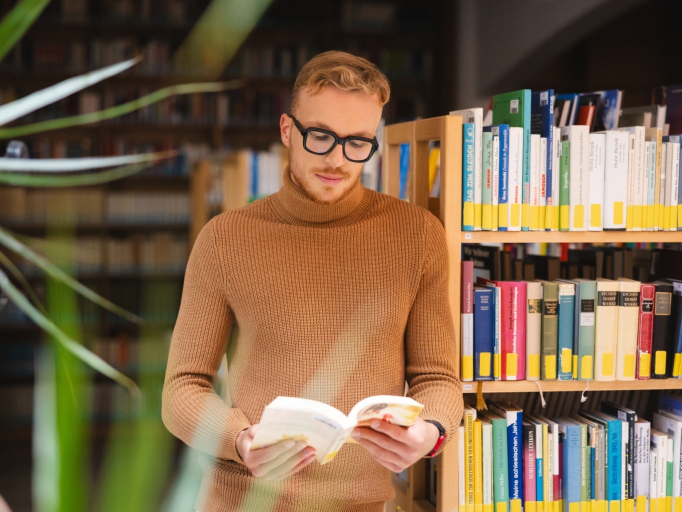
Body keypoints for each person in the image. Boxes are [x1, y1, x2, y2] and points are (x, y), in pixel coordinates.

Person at [161, 50, 463, 512]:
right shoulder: (225, 238)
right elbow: (182, 389)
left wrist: (430, 432)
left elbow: (438, 378)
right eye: (320, 136)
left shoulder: (417, 235)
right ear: (287, 130)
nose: (338, 160)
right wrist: (240, 440)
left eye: (358, 142)